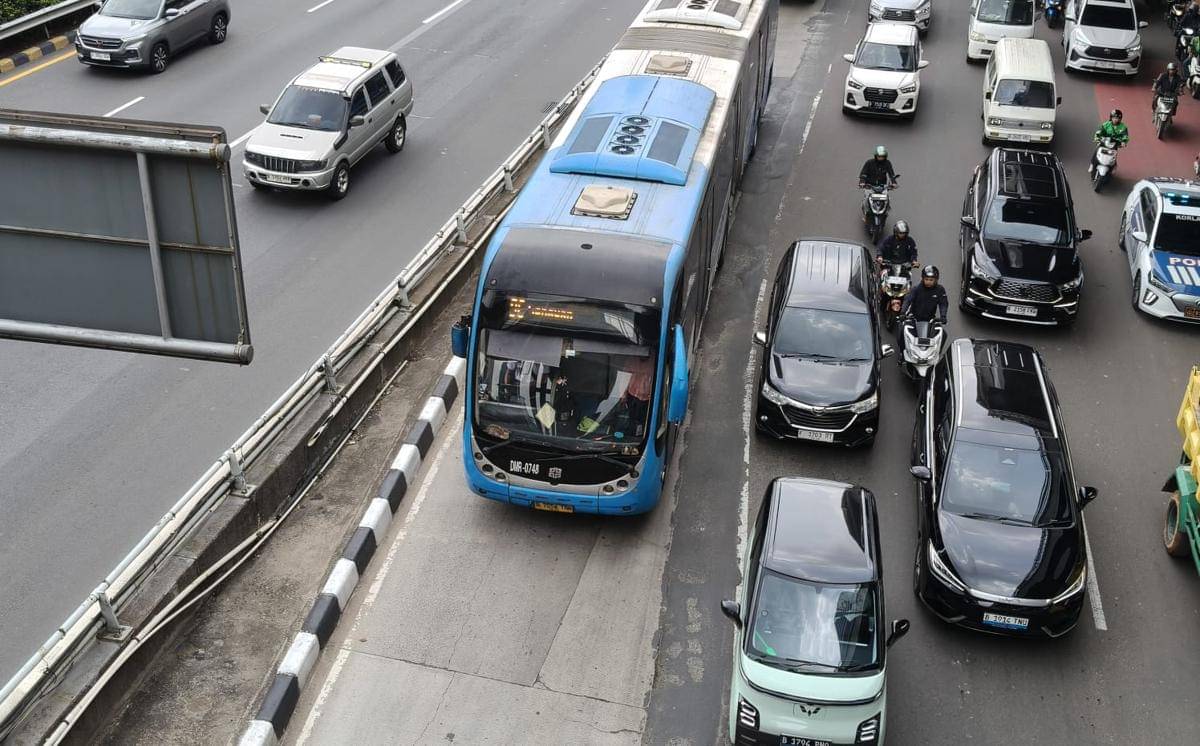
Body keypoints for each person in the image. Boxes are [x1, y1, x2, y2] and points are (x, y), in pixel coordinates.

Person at [898, 265, 948, 356]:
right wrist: (902, 313)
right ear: (923, 278)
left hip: (930, 320)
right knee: (902, 332)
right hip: (913, 318)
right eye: (926, 279)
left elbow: (943, 304)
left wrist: (943, 316)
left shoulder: (940, 290)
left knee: (943, 334)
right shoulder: (916, 289)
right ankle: (903, 354)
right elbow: (907, 300)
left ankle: (936, 354)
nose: (928, 282)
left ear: (936, 280)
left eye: (931, 280)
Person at [1089, 110, 1129, 174]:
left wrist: (1123, 142)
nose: (1116, 119)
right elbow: (1099, 131)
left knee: (1114, 154)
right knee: (1097, 150)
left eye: (1118, 118)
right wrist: (1097, 137)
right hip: (1104, 142)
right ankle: (1092, 164)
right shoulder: (1106, 125)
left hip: (1115, 144)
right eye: (1114, 118)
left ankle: (1114, 166)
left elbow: (1125, 135)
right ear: (1111, 118)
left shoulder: (1123, 127)